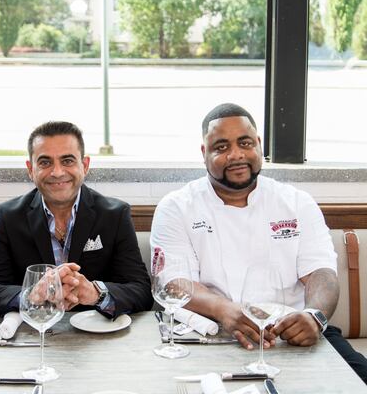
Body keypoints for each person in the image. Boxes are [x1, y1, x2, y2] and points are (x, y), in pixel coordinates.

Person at [150, 103, 367, 383]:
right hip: (213, 334)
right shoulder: (177, 207)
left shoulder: (296, 202)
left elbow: (322, 273)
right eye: (221, 146)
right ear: (204, 154)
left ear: (259, 145)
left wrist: (314, 316)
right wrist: (223, 310)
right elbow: (173, 282)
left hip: (292, 332)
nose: (236, 154)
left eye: (245, 143)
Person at [0, 121, 152, 317]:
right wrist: (31, 295)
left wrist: (96, 293)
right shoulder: (9, 216)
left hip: (98, 338)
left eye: (67, 160)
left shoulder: (115, 214)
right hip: (34, 332)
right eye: (45, 162)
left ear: (84, 165)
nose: (57, 172)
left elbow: (141, 291)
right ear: (30, 169)